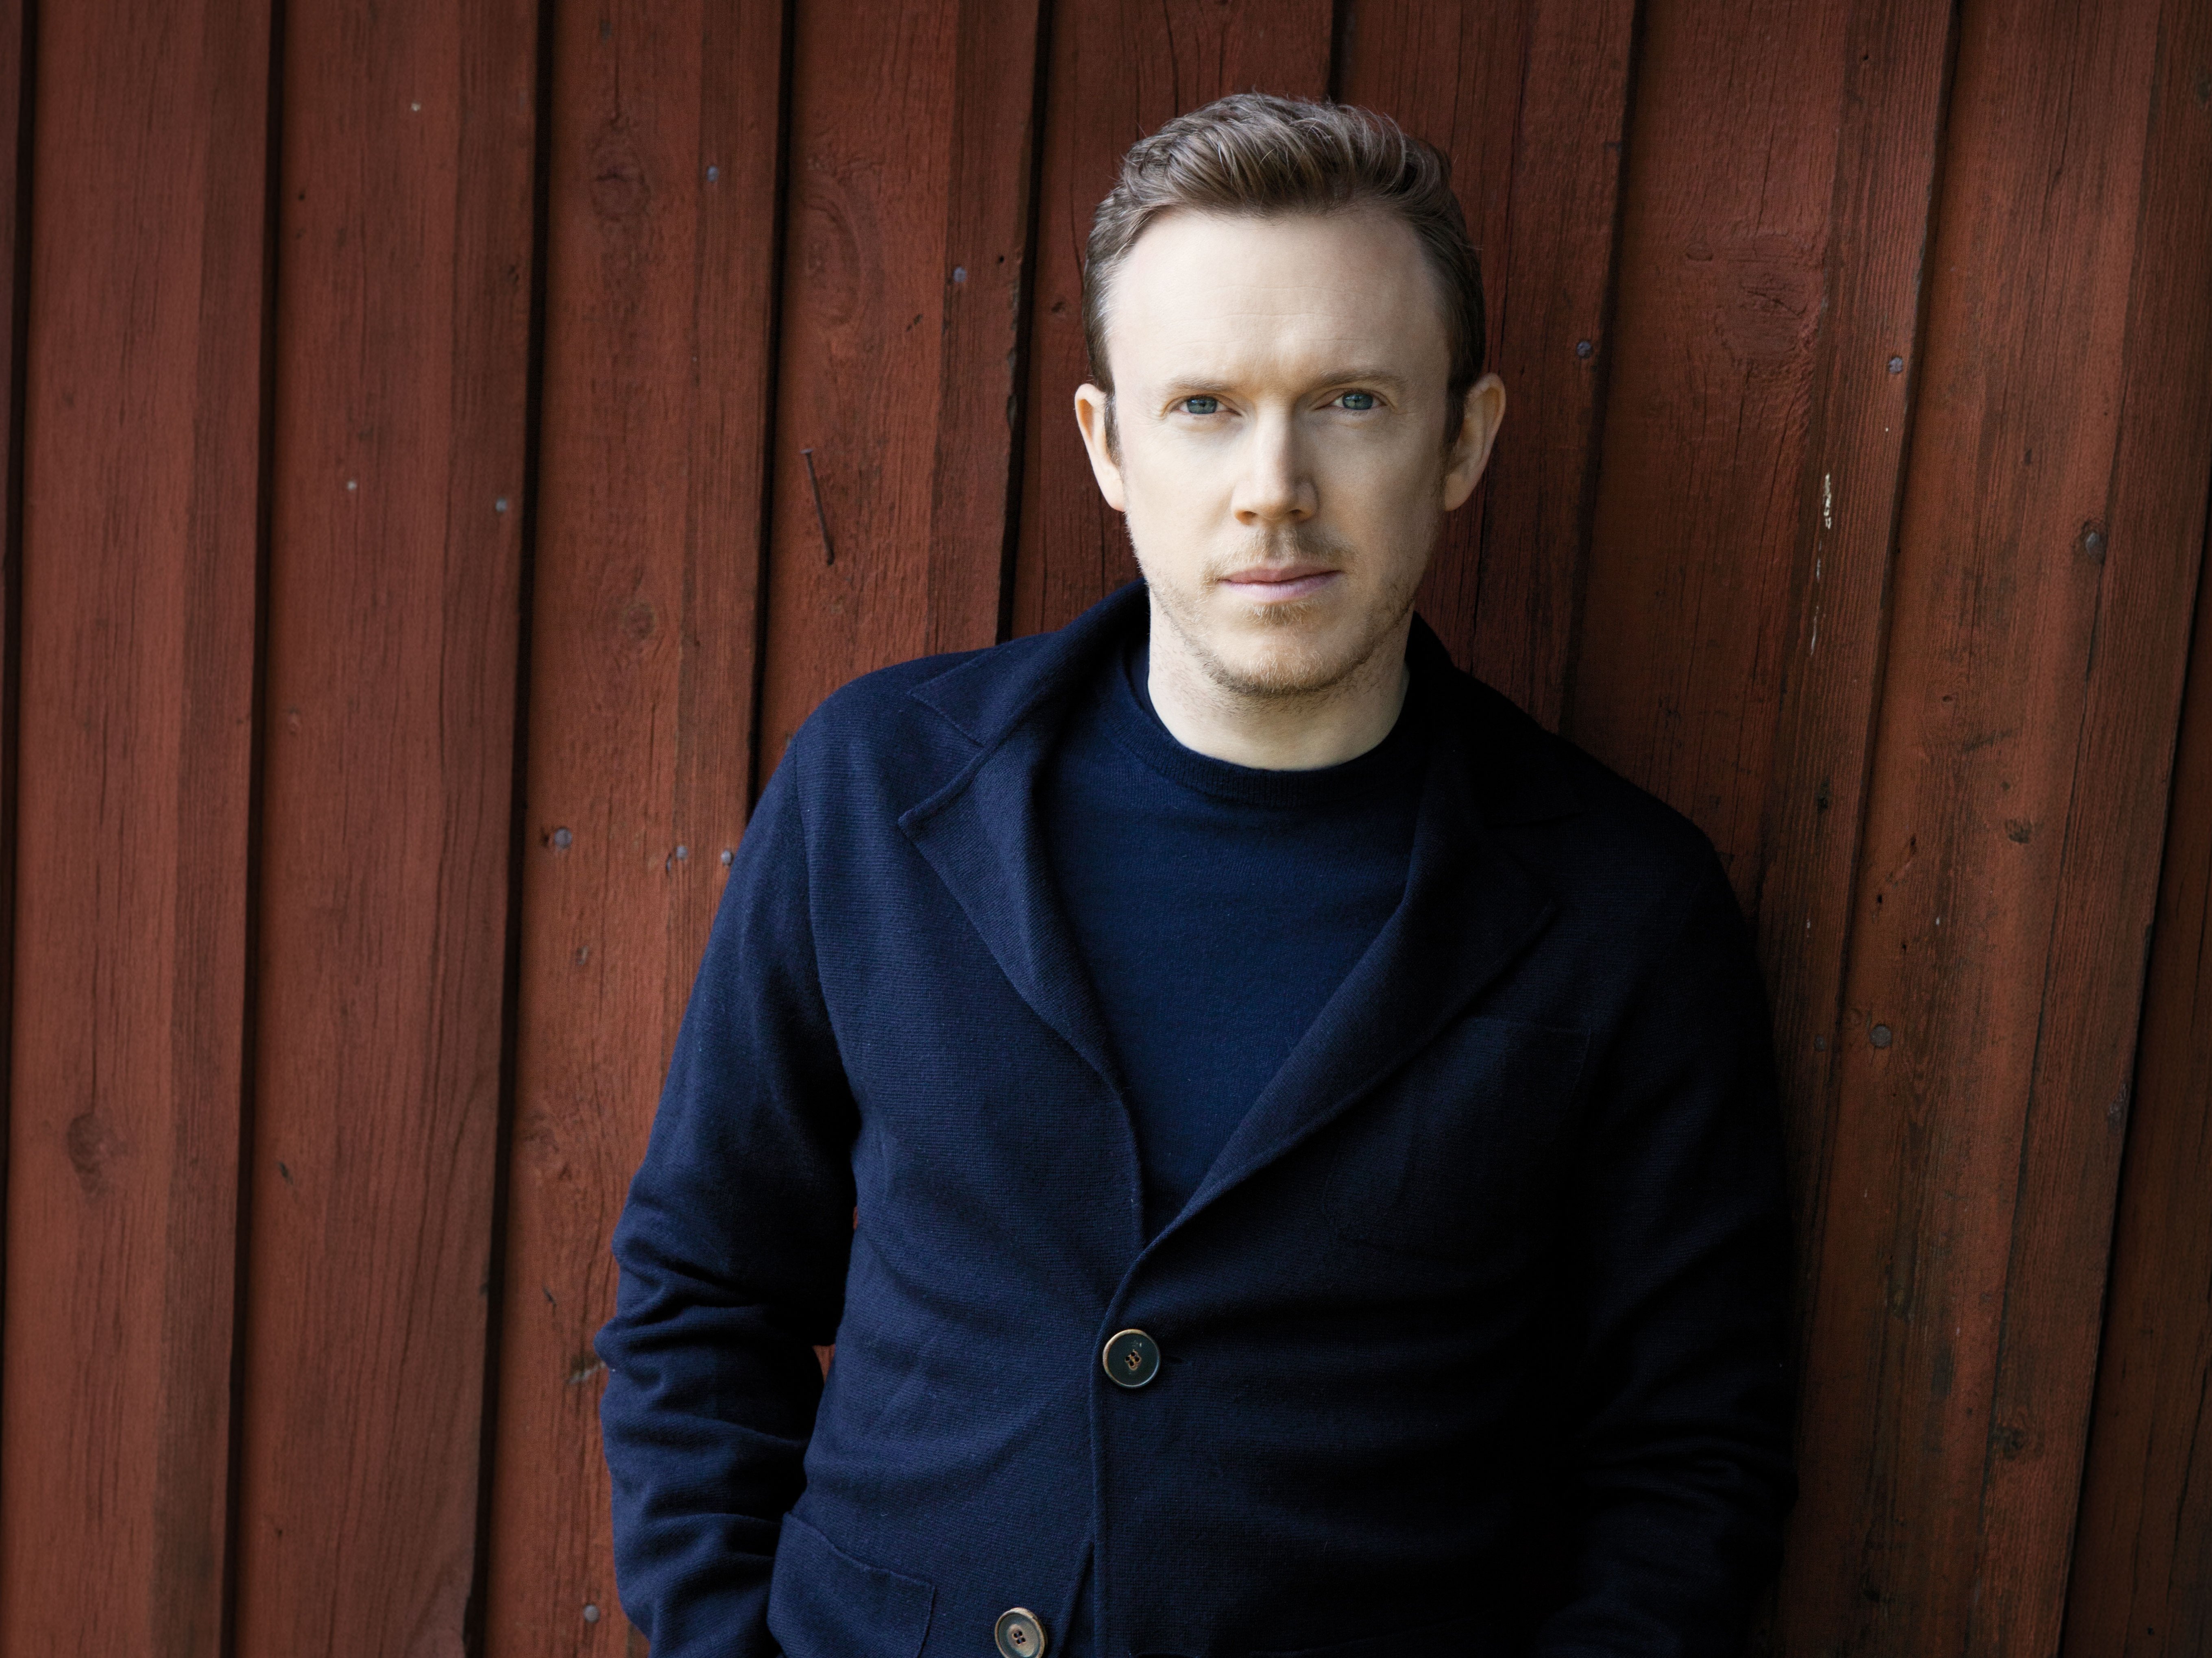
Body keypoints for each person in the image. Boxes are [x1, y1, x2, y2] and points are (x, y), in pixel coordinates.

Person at [597, 93, 1794, 1658]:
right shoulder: (876, 788)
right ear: (1109, 446)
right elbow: (702, 1293)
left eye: (1352, 400)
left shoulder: (1627, 910)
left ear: (1464, 438)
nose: (1274, 486)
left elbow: (1688, 1461)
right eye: (1206, 406)